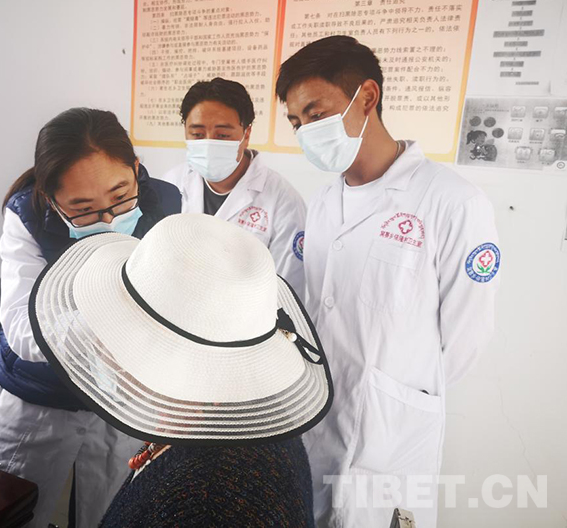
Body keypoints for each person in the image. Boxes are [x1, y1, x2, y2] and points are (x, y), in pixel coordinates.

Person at [276, 36, 501, 527]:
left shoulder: (452, 201)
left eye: (316, 114)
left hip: (392, 439)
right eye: (296, 123)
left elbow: (465, 339)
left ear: (367, 97)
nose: (306, 132)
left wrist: (395, 393)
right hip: (317, 420)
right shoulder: (323, 202)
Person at [28, 213, 334, 527]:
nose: (99, 339)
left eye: (116, 322)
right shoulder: (200, 424)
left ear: (158, 352)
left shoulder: (213, 502)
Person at [0, 108, 181, 527]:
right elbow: (23, 331)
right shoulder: (26, 214)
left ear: (136, 169)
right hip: (36, 396)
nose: (110, 219)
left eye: (120, 196)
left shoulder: (167, 202)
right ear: (51, 198)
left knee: (113, 515)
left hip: (123, 403)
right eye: (83, 208)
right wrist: (117, 320)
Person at [163, 78, 307, 299]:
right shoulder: (172, 183)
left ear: (246, 134)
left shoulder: (283, 201)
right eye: (198, 134)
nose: (209, 143)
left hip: (248, 317)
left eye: (222, 135)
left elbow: (285, 293)